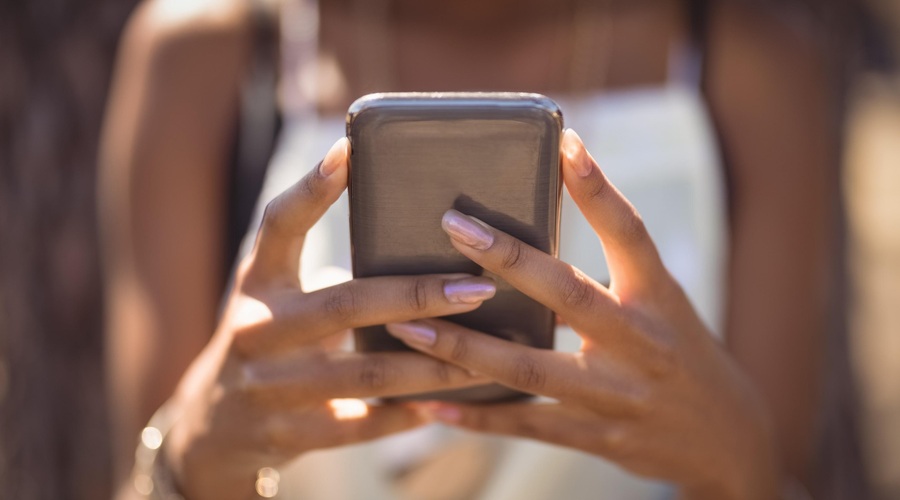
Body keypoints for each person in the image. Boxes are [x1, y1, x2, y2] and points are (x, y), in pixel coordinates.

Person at [98, 0, 835, 498]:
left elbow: (776, 464)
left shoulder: (752, 67)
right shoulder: (204, 55)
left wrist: (738, 462)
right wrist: (189, 455)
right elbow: (146, 465)